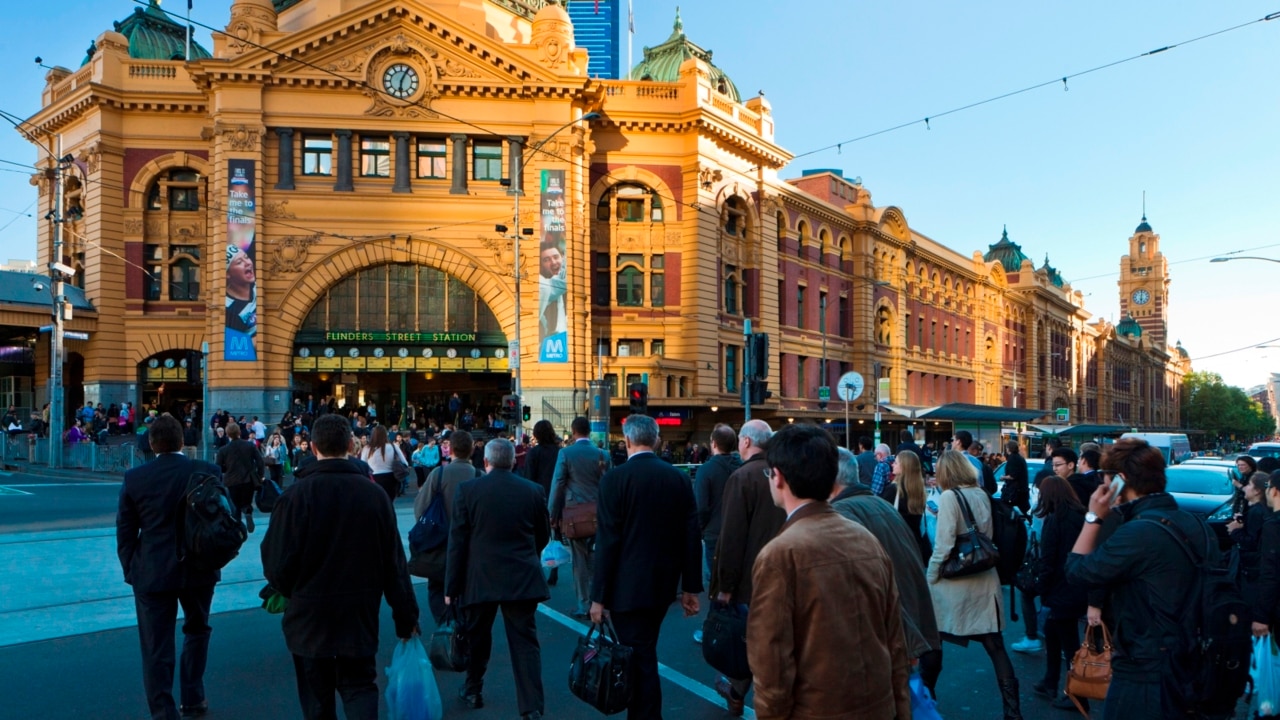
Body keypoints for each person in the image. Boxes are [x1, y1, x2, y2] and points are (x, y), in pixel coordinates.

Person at [261, 413, 419, 720]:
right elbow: (394, 565)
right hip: (358, 610)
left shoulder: (294, 496)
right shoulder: (374, 495)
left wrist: (290, 588)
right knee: (360, 687)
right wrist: (406, 616)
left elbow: (275, 563)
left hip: (308, 613)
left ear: (313, 447)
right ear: (350, 444)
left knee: (317, 698)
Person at [750, 425, 912, 719]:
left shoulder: (779, 554)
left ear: (779, 477)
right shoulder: (866, 540)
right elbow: (895, 642)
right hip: (879, 706)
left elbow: (771, 665)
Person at [1065, 437, 1217, 717]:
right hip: (1192, 658)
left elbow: (1077, 571)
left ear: (1120, 480)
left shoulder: (1138, 532)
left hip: (1145, 665)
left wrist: (1093, 517)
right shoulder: (1196, 524)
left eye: (1106, 478)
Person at [590, 414, 702, 720]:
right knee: (643, 651)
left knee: (639, 657)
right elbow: (691, 535)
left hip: (626, 586)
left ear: (626, 441)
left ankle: (646, 715)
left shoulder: (614, 479)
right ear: (655, 440)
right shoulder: (678, 478)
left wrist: (598, 596)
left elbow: (608, 542)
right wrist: (690, 587)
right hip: (663, 583)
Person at [116, 414, 223, 719]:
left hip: (152, 571)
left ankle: (163, 711)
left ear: (152, 444)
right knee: (198, 629)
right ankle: (193, 696)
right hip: (200, 567)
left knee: (155, 645)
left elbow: (125, 530)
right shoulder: (207, 470)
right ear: (181, 441)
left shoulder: (136, 478)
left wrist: (131, 569)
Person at [445, 438, 550, 720]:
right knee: (525, 643)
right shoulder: (533, 491)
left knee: (477, 637)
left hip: (480, 577)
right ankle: (531, 706)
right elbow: (542, 535)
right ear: (513, 461)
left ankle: (473, 688)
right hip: (521, 575)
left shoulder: (468, 491)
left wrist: (451, 586)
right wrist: (529, 555)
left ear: (486, 462)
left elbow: (458, 541)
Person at [831, 446, 942, 697]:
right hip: (912, 555)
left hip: (890, 621)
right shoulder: (911, 493)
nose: (893, 466)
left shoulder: (885, 495)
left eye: (896, 464)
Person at [927, 449, 1023, 719]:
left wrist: (931, 576)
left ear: (946, 472)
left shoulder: (949, 496)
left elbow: (944, 545)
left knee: (934, 639)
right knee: (995, 646)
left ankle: (926, 699)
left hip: (955, 583)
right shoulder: (980, 493)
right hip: (984, 577)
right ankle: (1013, 712)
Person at [707, 419, 781, 714]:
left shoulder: (742, 477)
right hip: (780, 574)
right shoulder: (779, 474)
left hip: (749, 581)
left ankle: (740, 695)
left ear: (747, 442)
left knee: (746, 645)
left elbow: (732, 537)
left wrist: (725, 586)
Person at [1029, 474, 1088, 711]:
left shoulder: (1055, 520)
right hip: (1077, 584)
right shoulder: (1081, 516)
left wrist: (1040, 588)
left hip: (1060, 588)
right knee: (1056, 634)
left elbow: (1048, 560)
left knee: (1068, 643)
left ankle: (1077, 693)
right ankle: (1050, 681)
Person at [549, 416, 612, 619]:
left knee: (579, 560)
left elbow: (558, 484)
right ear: (589, 432)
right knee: (597, 558)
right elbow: (609, 484)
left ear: (574, 431)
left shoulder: (566, 453)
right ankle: (598, 600)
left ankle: (583, 604)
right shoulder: (603, 454)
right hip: (599, 513)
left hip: (575, 514)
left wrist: (553, 512)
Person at [414, 431, 480, 624]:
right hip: (469, 542)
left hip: (441, 540)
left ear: (449, 449)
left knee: (437, 587)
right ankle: (463, 623)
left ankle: (445, 625)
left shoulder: (438, 474)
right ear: (472, 449)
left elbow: (420, 508)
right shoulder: (478, 475)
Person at [694, 424, 742, 592]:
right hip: (740, 530)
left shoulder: (706, 470)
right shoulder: (743, 467)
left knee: (716, 581)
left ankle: (722, 615)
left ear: (713, 443)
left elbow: (701, 506)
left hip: (714, 532)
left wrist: (701, 528)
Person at [524, 421, 561, 585]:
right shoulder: (559, 452)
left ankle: (537, 569)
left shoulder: (534, 453)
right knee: (556, 536)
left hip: (538, 497)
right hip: (557, 497)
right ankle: (554, 570)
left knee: (537, 536)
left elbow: (529, 478)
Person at [1229, 471, 1270, 611]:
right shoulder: (1262, 509)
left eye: (1249, 485)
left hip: (1252, 572)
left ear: (1258, 491)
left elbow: (1251, 542)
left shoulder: (1257, 512)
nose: (1245, 488)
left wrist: (1235, 531)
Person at [215, 422, 263, 533]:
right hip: (248, 479)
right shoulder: (250, 445)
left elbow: (218, 466)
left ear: (227, 434)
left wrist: (225, 471)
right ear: (240, 432)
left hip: (231, 480)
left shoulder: (223, 450)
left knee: (235, 505)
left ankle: (237, 527)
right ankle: (247, 512)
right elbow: (260, 461)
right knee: (246, 501)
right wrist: (259, 475)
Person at [894, 449, 934, 564]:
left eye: (896, 463)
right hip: (917, 546)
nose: (893, 464)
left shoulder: (894, 490)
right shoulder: (920, 492)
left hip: (899, 544)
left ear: (904, 467)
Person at [360, 425, 407, 502]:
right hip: (391, 478)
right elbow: (405, 462)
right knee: (389, 503)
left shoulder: (367, 448)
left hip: (373, 478)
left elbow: (362, 464)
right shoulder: (393, 446)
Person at [537, 239, 567, 340]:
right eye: (546, 260)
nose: (553, 262)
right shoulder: (542, 287)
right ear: (540, 266)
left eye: (556, 257)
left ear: (562, 257)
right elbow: (558, 284)